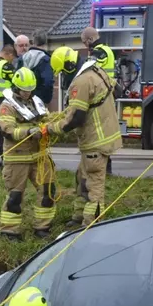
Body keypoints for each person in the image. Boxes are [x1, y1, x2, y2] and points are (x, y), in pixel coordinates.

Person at [47, 46, 122, 228]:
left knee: (94, 187)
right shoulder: (98, 70)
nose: (63, 76)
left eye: (63, 72)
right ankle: (78, 217)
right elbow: (117, 91)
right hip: (103, 138)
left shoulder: (81, 81)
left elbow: (77, 118)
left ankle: (91, 226)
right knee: (81, 178)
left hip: (94, 141)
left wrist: (52, 128)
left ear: (70, 66)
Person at [0, 67, 57, 241]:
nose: (27, 94)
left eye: (30, 90)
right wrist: (29, 132)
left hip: (40, 156)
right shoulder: (7, 107)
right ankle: (9, 231)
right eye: (24, 91)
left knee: (48, 191)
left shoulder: (36, 101)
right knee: (15, 196)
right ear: (16, 88)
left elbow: (45, 119)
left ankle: (43, 228)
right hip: (17, 158)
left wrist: (52, 124)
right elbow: (7, 130)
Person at [81, 27, 117, 175]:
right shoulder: (106, 49)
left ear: (89, 40)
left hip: (102, 96)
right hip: (107, 93)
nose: (85, 46)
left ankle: (105, 167)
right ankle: (105, 166)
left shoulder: (99, 52)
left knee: (100, 133)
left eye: (84, 42)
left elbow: (90, 72)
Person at [17, 30, 54, 106]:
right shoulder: (46, 60)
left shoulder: (22, 58)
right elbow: (48, 82)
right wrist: (46, 99)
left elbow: (16, 78)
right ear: (45, 42)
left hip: (22, 99)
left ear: (32, 41)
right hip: (39, 100)